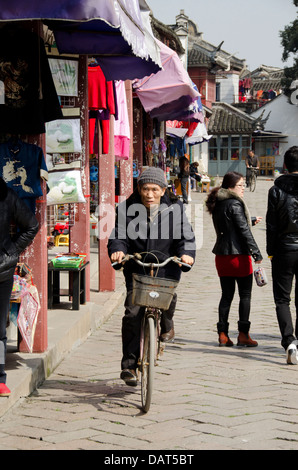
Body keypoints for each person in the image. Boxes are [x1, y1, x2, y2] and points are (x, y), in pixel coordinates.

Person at [108, 167, 196, 386]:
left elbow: (185, 235)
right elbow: (118, 235)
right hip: (137, 268)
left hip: (166, 267)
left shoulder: (175, 208)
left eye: (154, 189)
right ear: (139, 189)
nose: (149, 194)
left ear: (163, 190)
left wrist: (186, 254)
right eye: (145, 189)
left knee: (168, 299)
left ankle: (167, 323)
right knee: (132, 314)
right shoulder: (126, 208)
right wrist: (118, 250)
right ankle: (129, 365)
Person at [206, 171, 263, 347]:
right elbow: (242, 231)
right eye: (240, 185)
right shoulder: (236, 204)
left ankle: (222, 334)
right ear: (231, 187)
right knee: (245, 295)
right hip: (239, 257)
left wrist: (250, 220)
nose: (243, 188)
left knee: (226, 296)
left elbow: (230, 224)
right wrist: (256, 252)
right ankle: (243, 334)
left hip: (222, 257)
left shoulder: (218, 203)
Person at [0, 177, 39, 397]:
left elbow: (31, 225)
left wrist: (11, 252)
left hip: (1, 273)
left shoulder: (7, 196)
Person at [266, 146, 298, 364]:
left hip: (284, 249)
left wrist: (270, 251)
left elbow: (271, 224)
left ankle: (289, 342)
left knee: (282, 299)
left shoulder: (276, 190)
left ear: (285, 165)